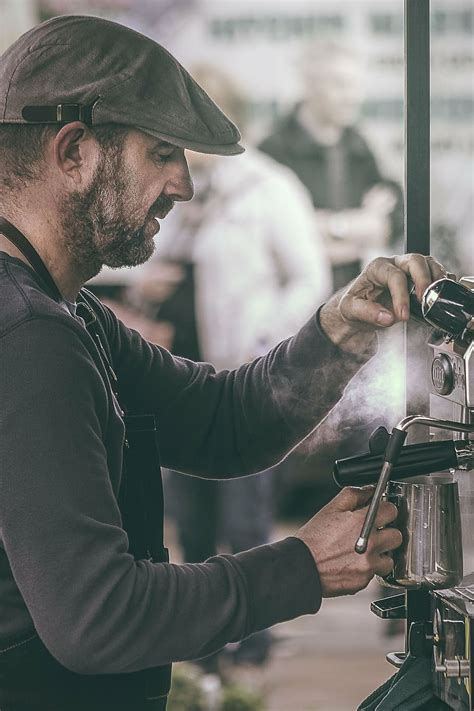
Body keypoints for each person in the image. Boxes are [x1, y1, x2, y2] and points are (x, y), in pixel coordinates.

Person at [0, 15, 445, 711]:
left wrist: (340, 330)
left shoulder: (70, 315)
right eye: (161, 152)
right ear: (74, 151)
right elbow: (98, 617)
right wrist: (300, 565)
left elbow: (222, 421)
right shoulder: (27, 335)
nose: (185, 184)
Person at [140, 63, 331, 670]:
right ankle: (205, 651)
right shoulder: (185, 195)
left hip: (241, 380)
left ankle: (254, 646)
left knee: (246, 521)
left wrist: (262, 334)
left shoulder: (271, 189)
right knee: (190, 525)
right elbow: (153, 261)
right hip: (180, 379)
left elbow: (311, 277)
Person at [259, 39, 404, 291]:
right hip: (292, 310)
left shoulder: (360, 147)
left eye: (356, 85)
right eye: (340, 84)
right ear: (309, 85)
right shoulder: (273, 150)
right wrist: (356, 226)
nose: (353, 96)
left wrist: (327, 228)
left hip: (355, 299)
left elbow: (393, 222)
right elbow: (274, 238)